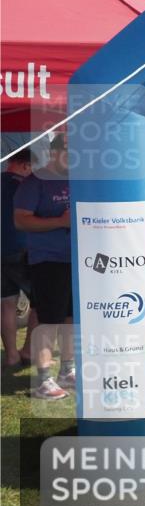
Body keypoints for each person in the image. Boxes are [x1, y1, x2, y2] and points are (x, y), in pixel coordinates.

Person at [12, 135, 75, 399]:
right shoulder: (35, 183)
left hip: (78, 262)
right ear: (55, 151)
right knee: (48, 321)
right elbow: (21, 221)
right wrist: (61, 222)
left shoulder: (77, 180)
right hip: (47, 261)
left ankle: (67, 371)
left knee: (72, 320)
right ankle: (43, 380)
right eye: (69, 150)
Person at [2, 150, 35, 370]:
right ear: (24, 165)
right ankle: (29, 351)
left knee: (6, 304)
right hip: (22, 249)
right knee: (41, 303)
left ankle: (11, 356)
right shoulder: (25, 186)